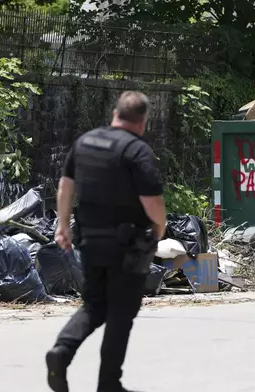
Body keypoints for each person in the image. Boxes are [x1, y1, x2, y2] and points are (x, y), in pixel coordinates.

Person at [46, 91, 167, 392]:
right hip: (126, 247)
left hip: (90, 242)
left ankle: (62, 350)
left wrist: (63, 227)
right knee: (121, 314)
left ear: (115, 113)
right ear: (143, 121)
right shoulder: (137, 151)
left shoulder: (85, 142)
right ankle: (109, 385)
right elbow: (151, 202)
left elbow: (64, 186)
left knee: (95, 305)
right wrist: (160, 227)